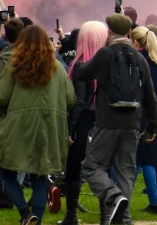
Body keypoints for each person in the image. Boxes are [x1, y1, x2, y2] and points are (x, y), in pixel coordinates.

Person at [0, 25, 75, 225]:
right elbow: (70, 98)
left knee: (6, 172)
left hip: (19, 127)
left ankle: (26, 214)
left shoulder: (15, 65)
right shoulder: (59, 68)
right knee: (41, 175)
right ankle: (36, 220)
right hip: (50, 127)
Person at [77, 14, 157, 225]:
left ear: (109, 32)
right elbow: (150, 95)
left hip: (107, 120)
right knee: (126, 172)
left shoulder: (105, 53)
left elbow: (82, 74)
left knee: (92, 167)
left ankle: (113, 197)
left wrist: (79, 58)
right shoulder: (139, 57)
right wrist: (153, 124)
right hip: (132, 122)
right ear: (129, 33)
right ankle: (124, 219)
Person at [59, 21, 107, 225]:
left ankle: (71, 214)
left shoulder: (80, 64)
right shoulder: (110, 63)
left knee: (74, 168)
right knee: (102, 168)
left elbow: (78, 100)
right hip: (105, 121)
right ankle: (105, 216)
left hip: (83, 121)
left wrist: (70, 129)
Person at [132, 26, 157, 214]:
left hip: (143, 113)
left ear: (136, 42)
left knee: (134, 159)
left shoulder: (137, 61)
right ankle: (154, 202)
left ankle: (121, 201)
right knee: (150, 159)